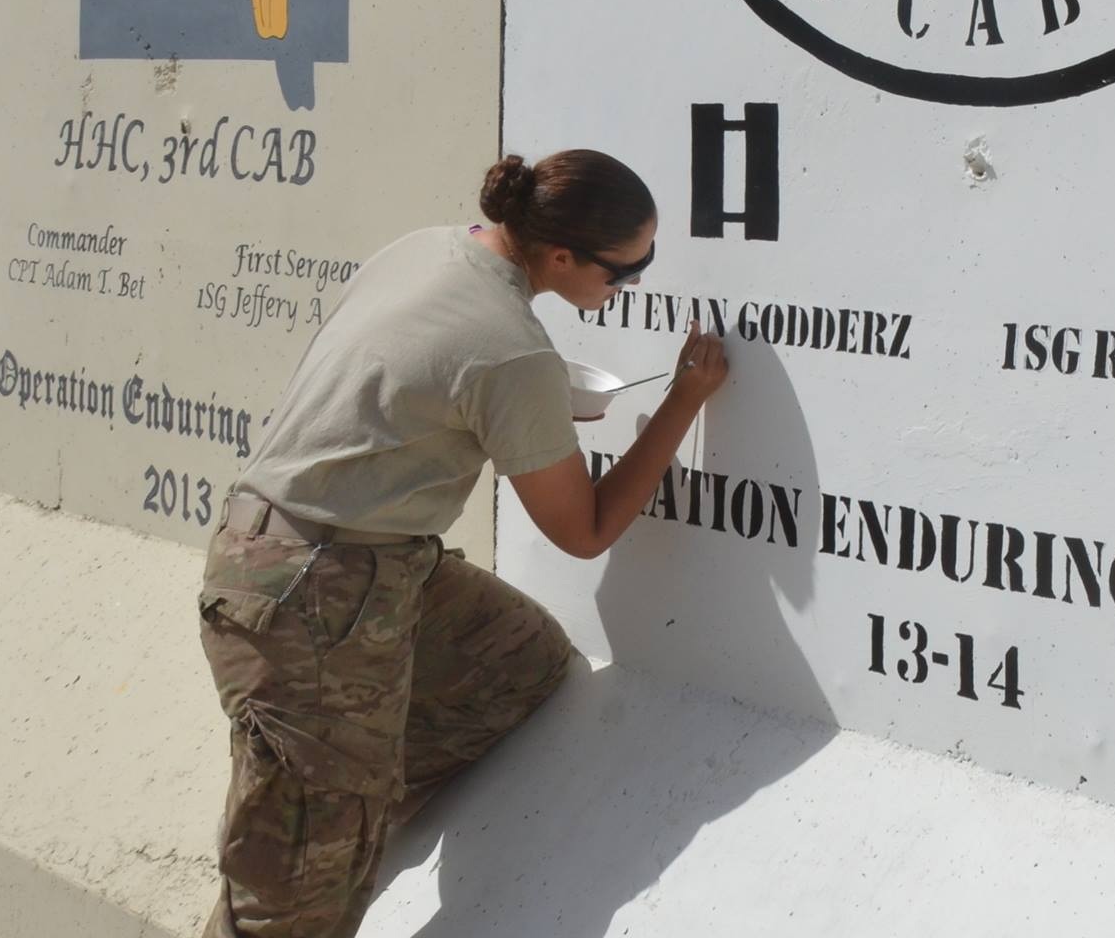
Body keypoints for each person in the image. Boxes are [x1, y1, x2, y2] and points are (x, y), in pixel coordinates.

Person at [194, 148, 727, 938]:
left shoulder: (429, 249)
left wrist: (529, 408)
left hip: (311, 556)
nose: (634, 284)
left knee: (515, 663)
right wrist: (685, 399)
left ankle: (332, 795)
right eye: (626, 271)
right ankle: (318, 819)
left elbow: (428, 375)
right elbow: (584, 531)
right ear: (560, 257)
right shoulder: (513, 352)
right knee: (292, 911)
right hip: (316, 596)